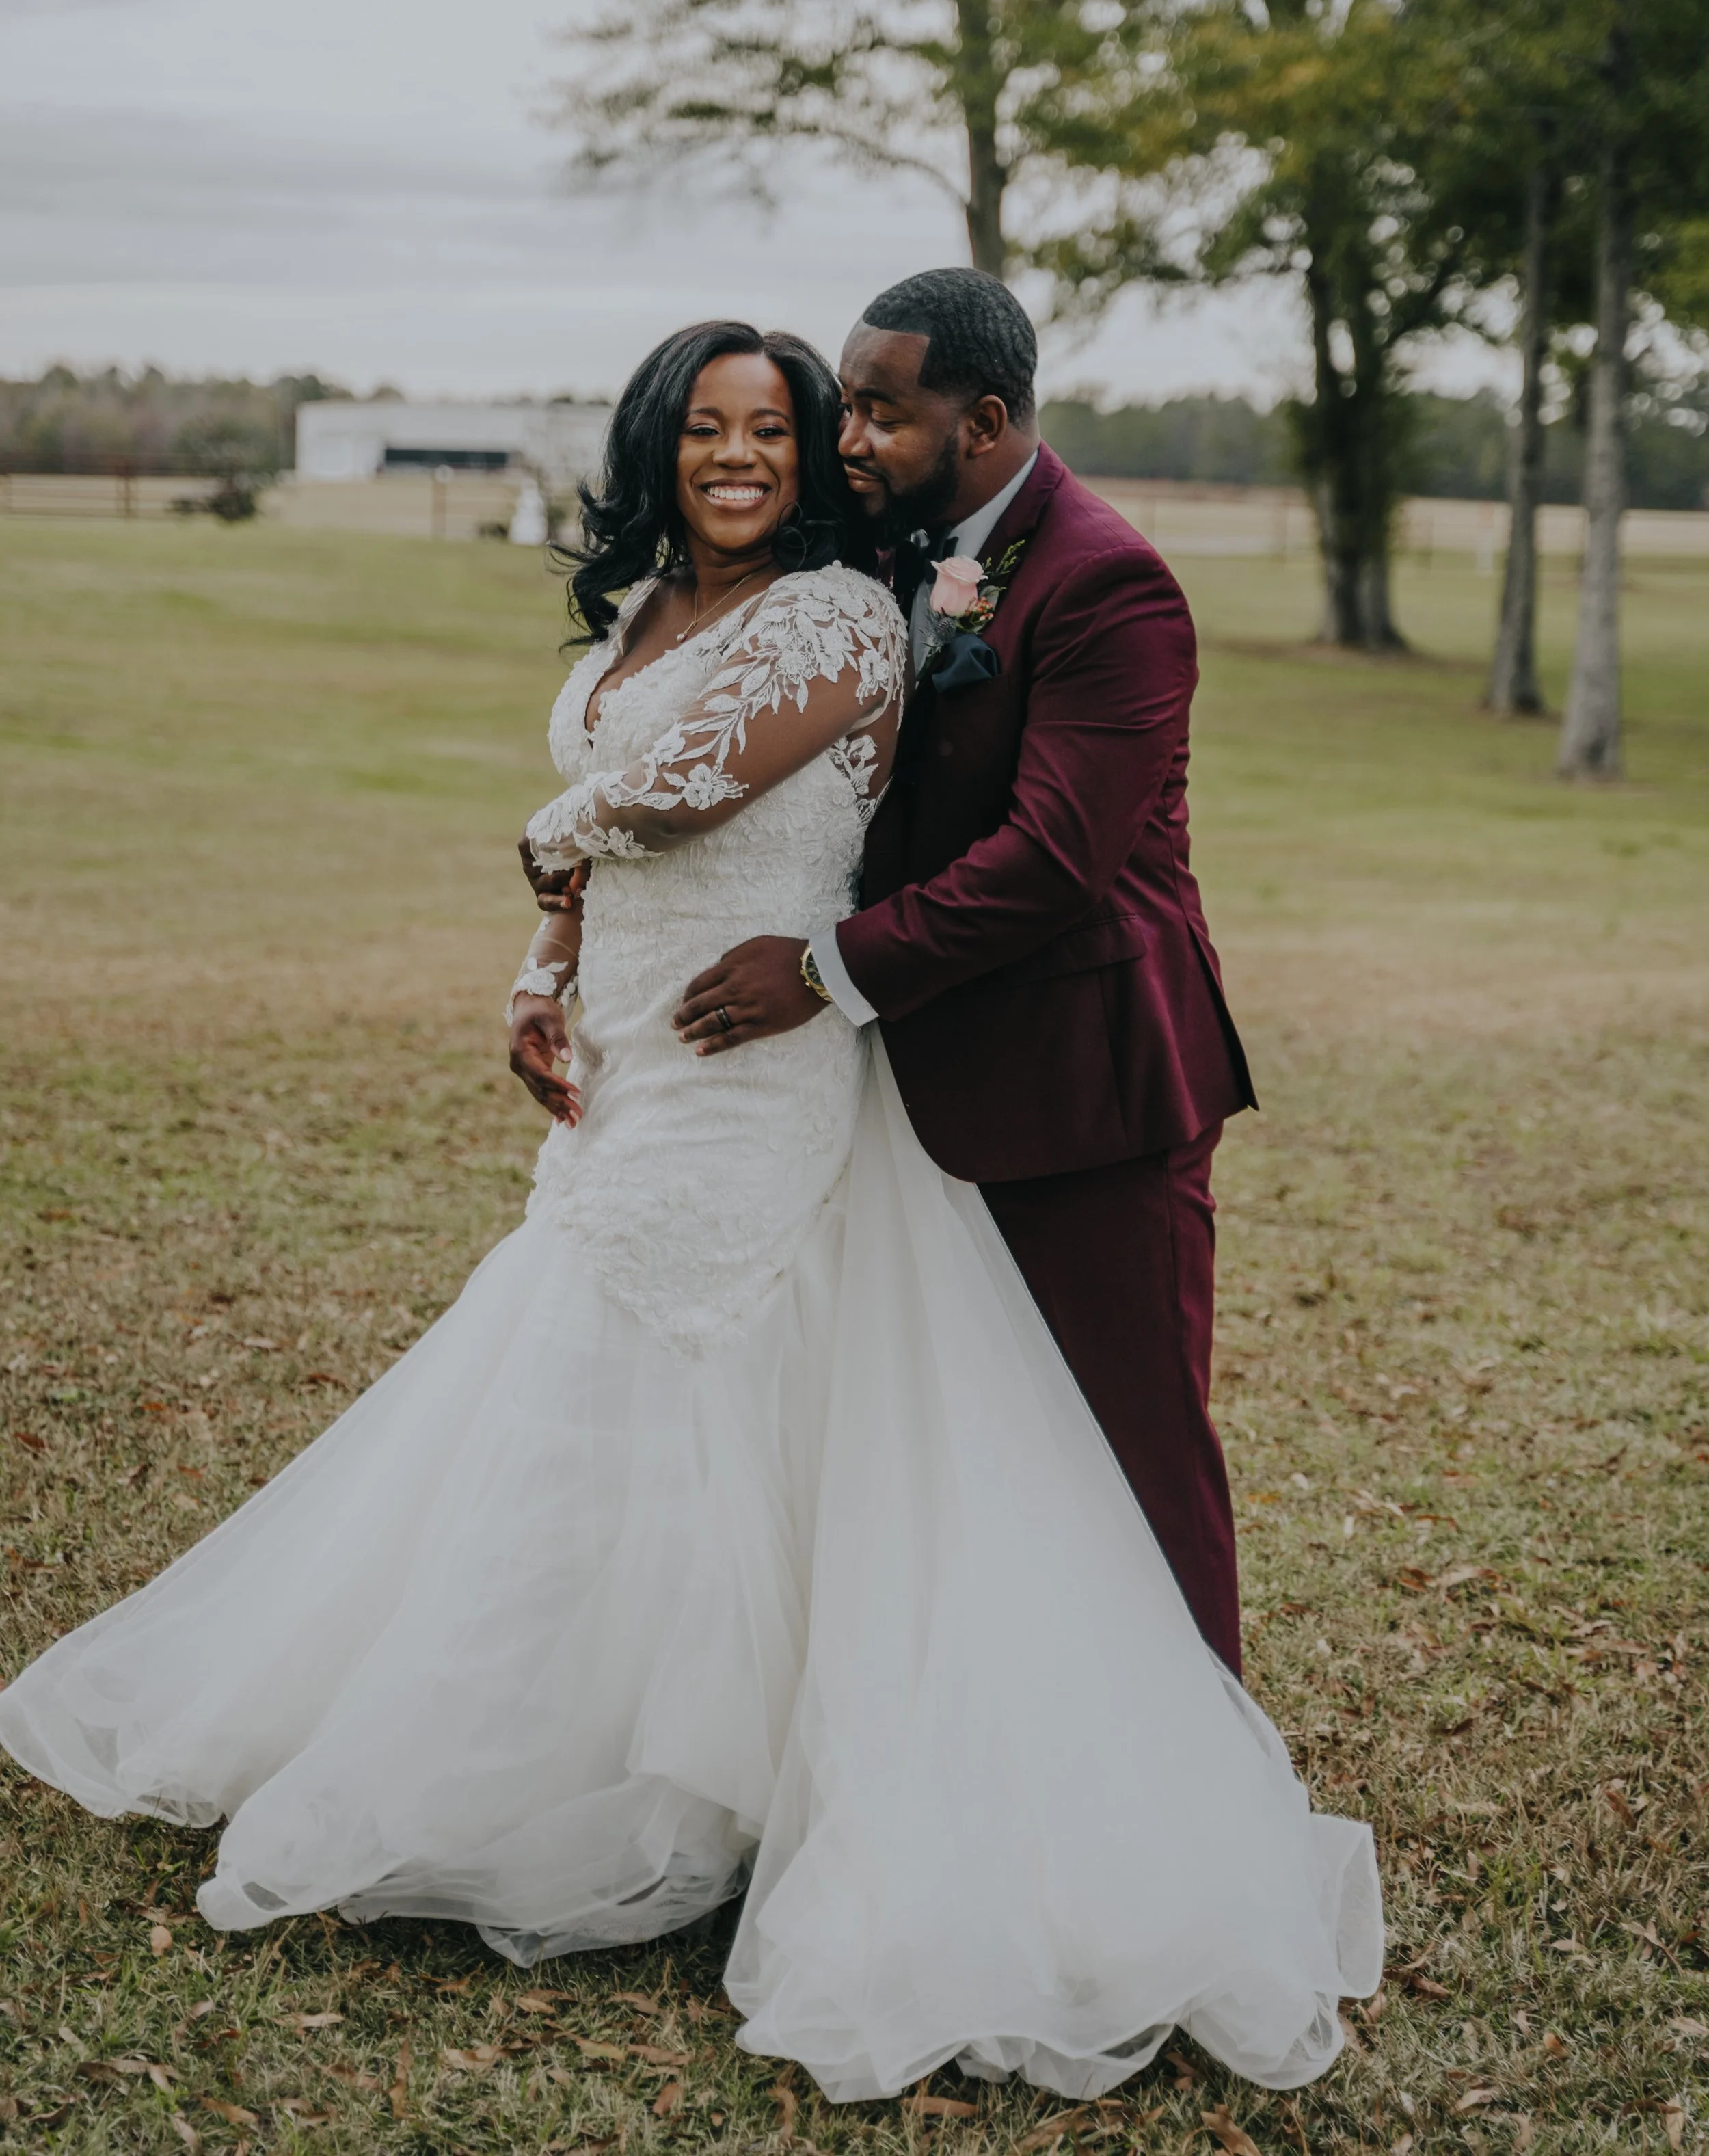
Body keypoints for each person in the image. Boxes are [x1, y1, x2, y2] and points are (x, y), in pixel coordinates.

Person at [0, 317, 1378, 2107]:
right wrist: (538, 955)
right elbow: (618, 833)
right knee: (614, 1412)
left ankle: (1143, 1765)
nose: (749, 454)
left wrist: (546, 828)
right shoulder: (650, 608)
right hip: (648, 1050)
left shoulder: (837, 610)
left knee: (696, 1387)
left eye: (787, 426)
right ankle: (611, 1763)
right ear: (655, 445)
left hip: (784, 1058)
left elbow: (693, 784)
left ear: (838, 452)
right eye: (708, 427)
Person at [669, 269, 1254, 1673]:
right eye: (847, 405)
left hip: (1087, 1091)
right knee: (940, 1433)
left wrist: (816, 970)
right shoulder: (885, 559)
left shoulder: (1108, 584)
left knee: (1129, 1436)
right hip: (908, 1086)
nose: (846, 436)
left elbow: (1054, 860)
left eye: (878, 410)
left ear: (984, 420)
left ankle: (1202, 1763)